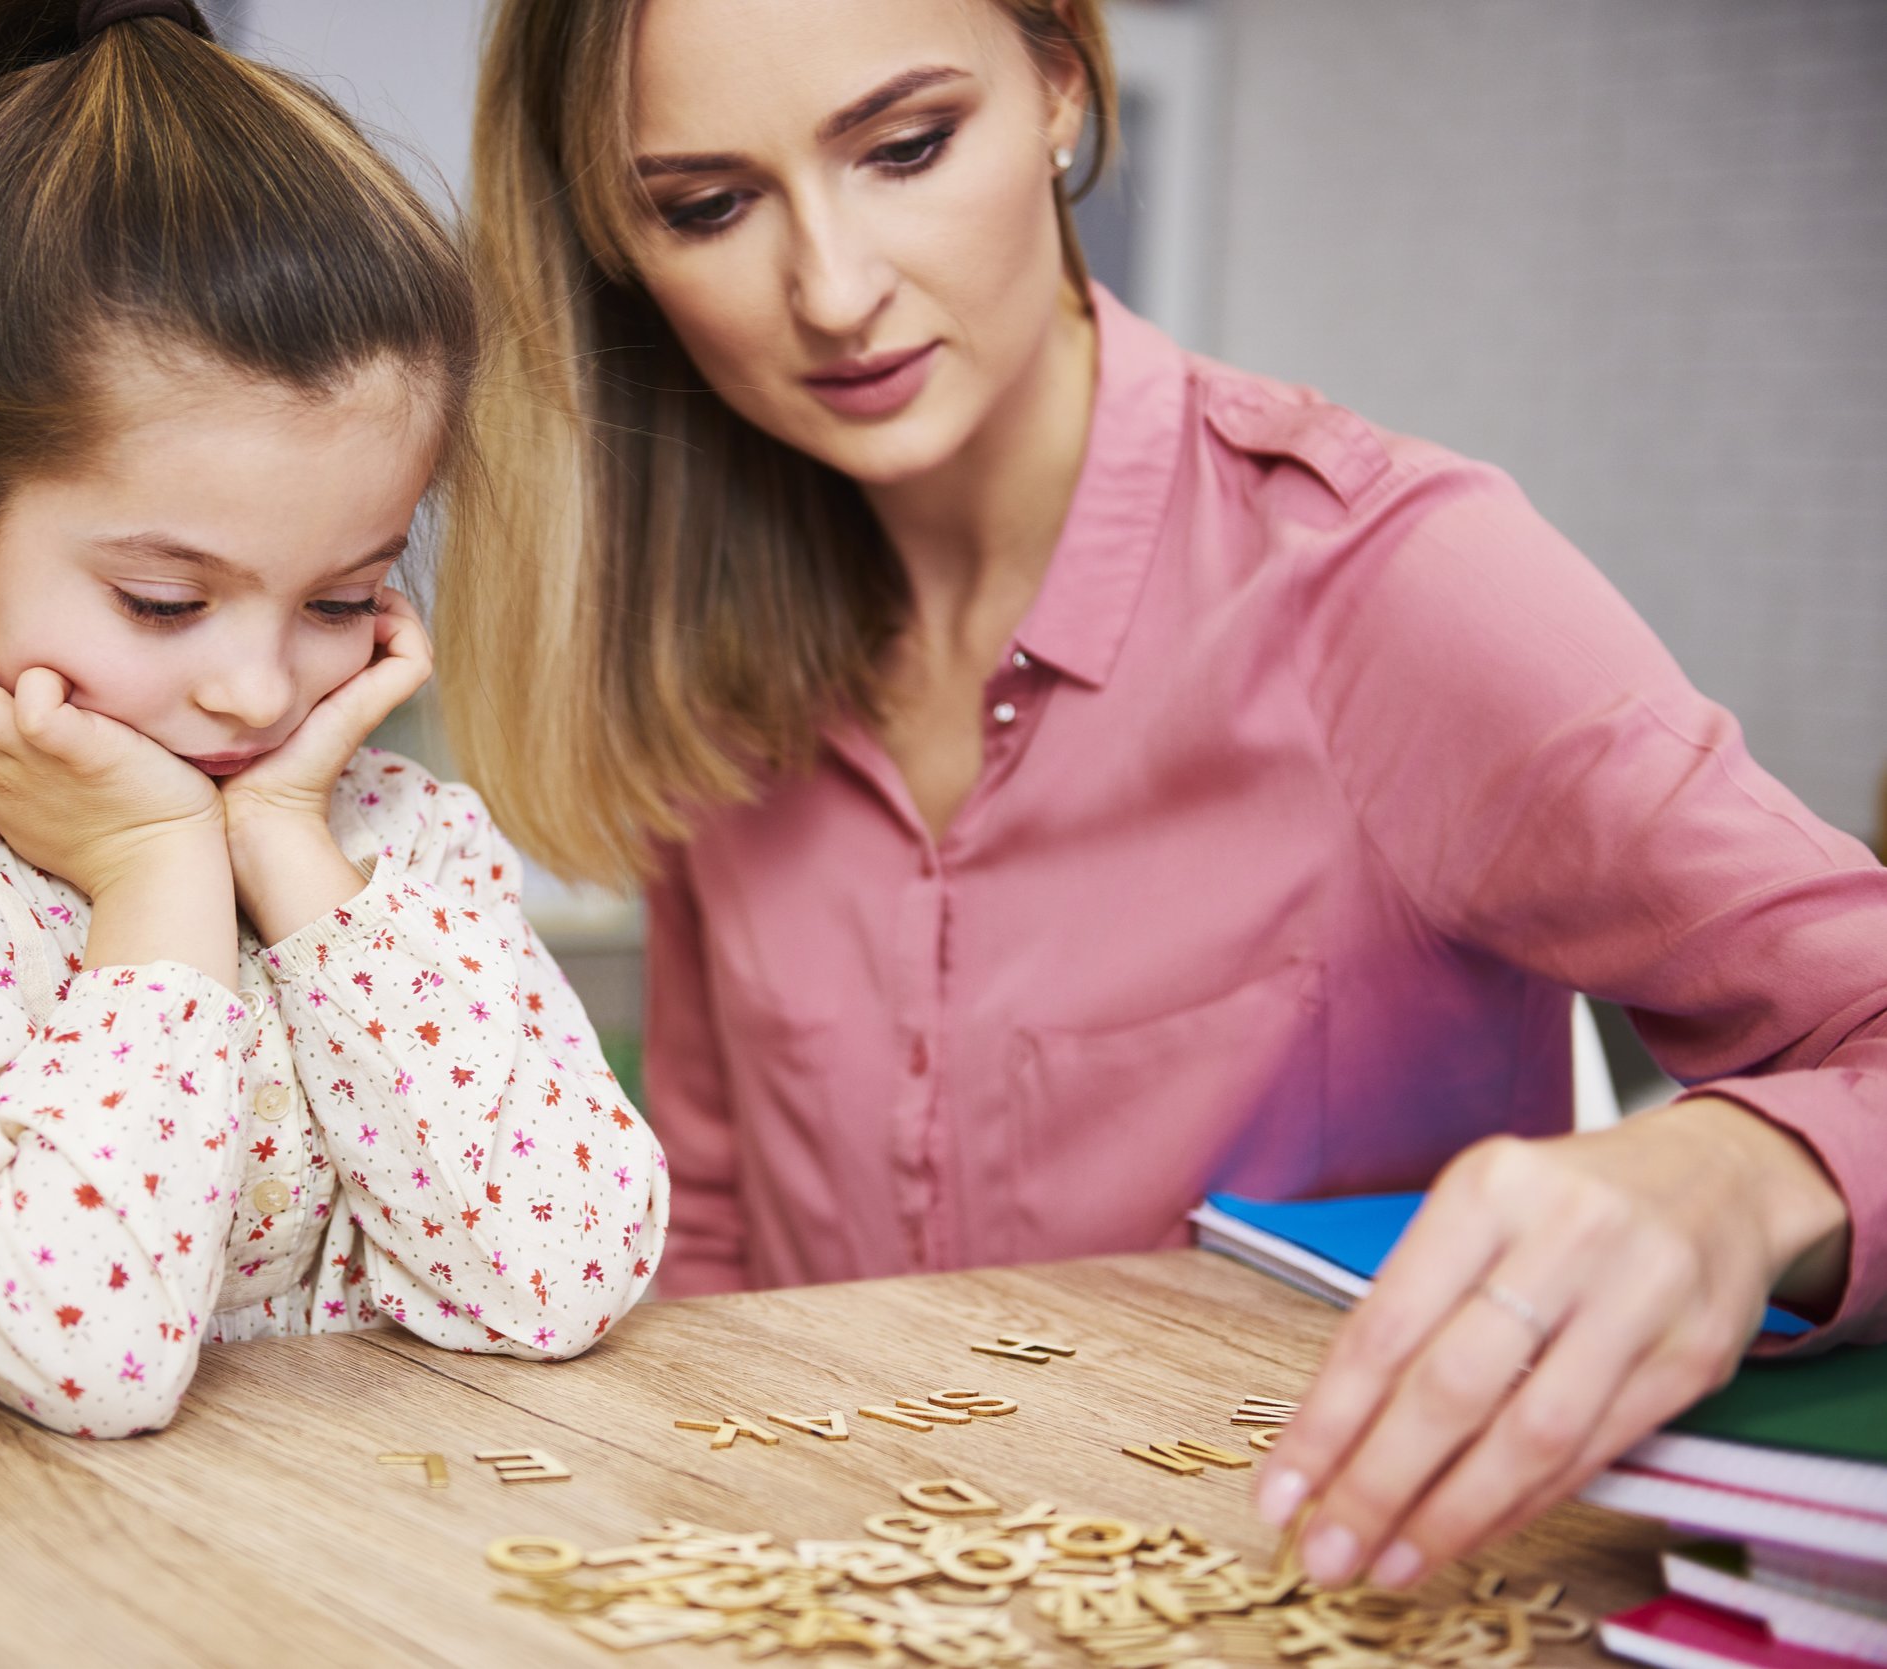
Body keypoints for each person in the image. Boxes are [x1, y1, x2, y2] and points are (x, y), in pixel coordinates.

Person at [448, 0, 1881, 1592]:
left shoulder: (1390, 586)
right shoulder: (695, 654)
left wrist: (1749, 1172)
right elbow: (716, 1265)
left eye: (908, 147)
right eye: (706, 206)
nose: (834, 292)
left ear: (1060, 81)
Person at [0, 0, 666, 1440]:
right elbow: (85, 1351)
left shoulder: (396, 848)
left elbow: (558, 1274)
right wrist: (157, 873)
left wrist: (286, 848)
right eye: (163, 601)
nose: (259, 691)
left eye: (342, 597)